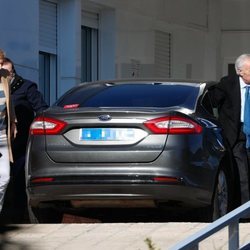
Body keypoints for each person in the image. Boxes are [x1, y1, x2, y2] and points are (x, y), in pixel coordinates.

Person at [1, 57, 48, 223]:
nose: (4, 75)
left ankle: (16, 216)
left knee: (16, 178)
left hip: (19, 143)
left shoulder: (26, 87)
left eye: (6, 71)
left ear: (12, 72)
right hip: (3, 141)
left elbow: (41, 109)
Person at [209, 54, 250, 205]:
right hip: (235, 134)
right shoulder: (227, 84)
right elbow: (212, 101)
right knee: (242, 173)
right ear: (240, 71)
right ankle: (245, 213)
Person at [0, 50, 17, 215]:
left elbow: (9, 100)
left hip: (2, 134)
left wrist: (13, 122)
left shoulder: (4, 78)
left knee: (5, 177)